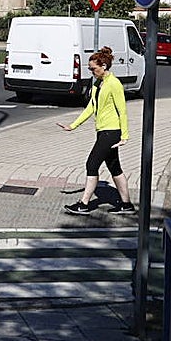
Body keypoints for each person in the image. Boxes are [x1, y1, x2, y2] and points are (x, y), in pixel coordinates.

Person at [57, 46, 134, 215]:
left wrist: (125, 136)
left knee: (91, 164)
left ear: (104, 66)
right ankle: (126, 205)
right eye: (90, 68)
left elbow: (123, 110)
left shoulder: (114, 84)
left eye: (93, 68)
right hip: (103, 131)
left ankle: (84, 204)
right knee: (114, 167)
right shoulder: (98, 83)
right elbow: (91, 107)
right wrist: (73, 125)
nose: (91, 71)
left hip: (111, 132)